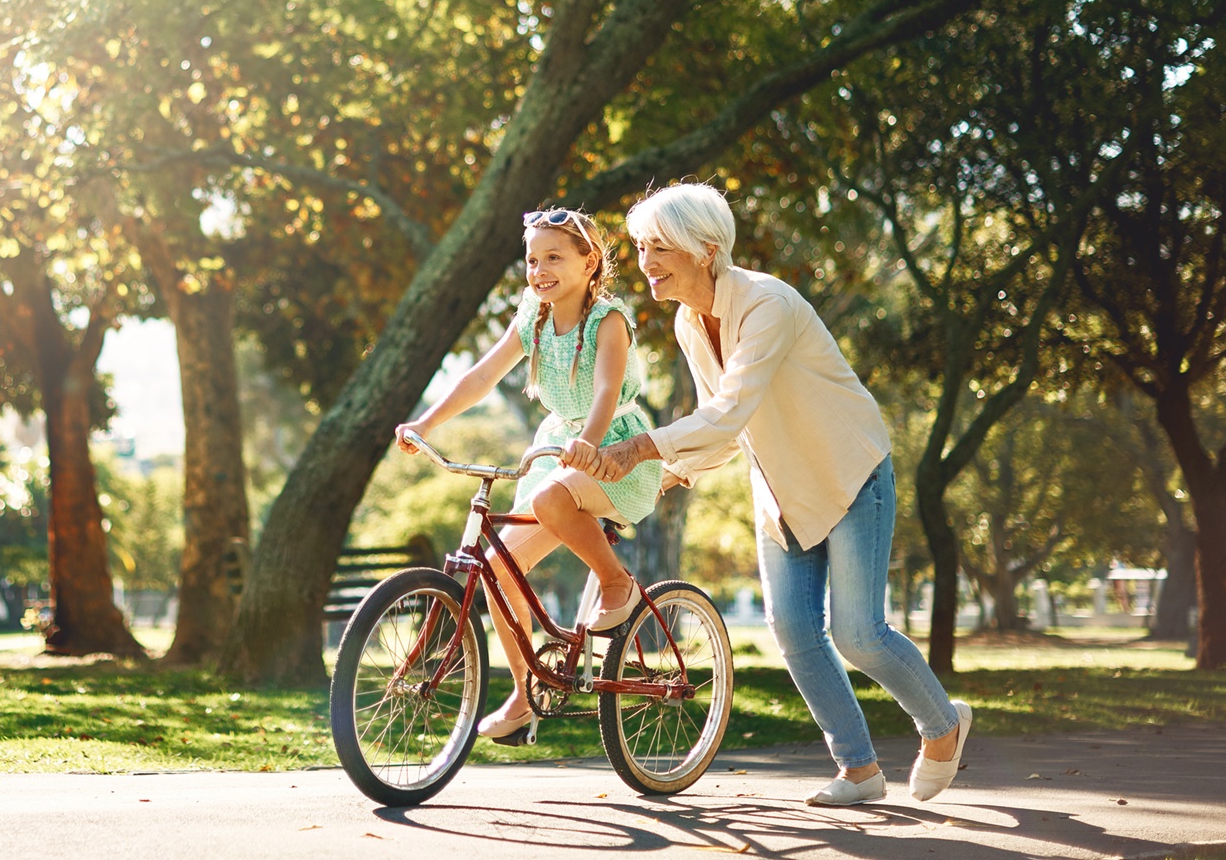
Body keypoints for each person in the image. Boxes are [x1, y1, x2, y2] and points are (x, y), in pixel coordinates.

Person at [568, 183, 971, 806]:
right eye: (642, 246)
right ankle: (859, 770)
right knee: (794, 632)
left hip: (849, 474)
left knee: (858, 634)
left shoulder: (766, 304)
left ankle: (943, 725)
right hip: (780, 490)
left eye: (659, 247)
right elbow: (722, 429)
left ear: (705, 249)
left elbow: (727, 414)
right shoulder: (687, 321)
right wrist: (664, 478)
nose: (646, 261)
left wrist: (637, 449)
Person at [394, 208, 663, 741]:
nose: (540, 270)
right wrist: (426, 421)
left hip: (615, 449)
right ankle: (525, 694)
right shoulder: (533, 317)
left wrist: (588, 441)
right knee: (497, 568)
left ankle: (618, 584)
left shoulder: (607, 319)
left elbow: (608, 389)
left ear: (590, 263)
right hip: (561, 444)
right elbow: (482, 375)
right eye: (532, 260)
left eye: (554, 258)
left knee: (549, 502)